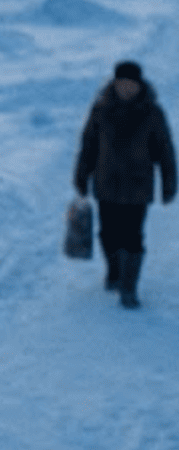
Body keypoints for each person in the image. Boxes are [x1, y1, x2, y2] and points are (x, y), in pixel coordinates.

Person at [74, 60, 178, 309]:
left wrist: (169, 181)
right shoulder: (100, 110)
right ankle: (114, 272)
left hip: (138, 186)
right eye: (122, 83)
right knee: (108, 233)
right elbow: (88, 144)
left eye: (131, 84)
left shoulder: (152, 112)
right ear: (115, 83)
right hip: (106, 182)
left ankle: (129, 288)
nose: (126, 88)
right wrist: (81, 175)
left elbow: (165, 150)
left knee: (132, 235)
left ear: (139, 85)